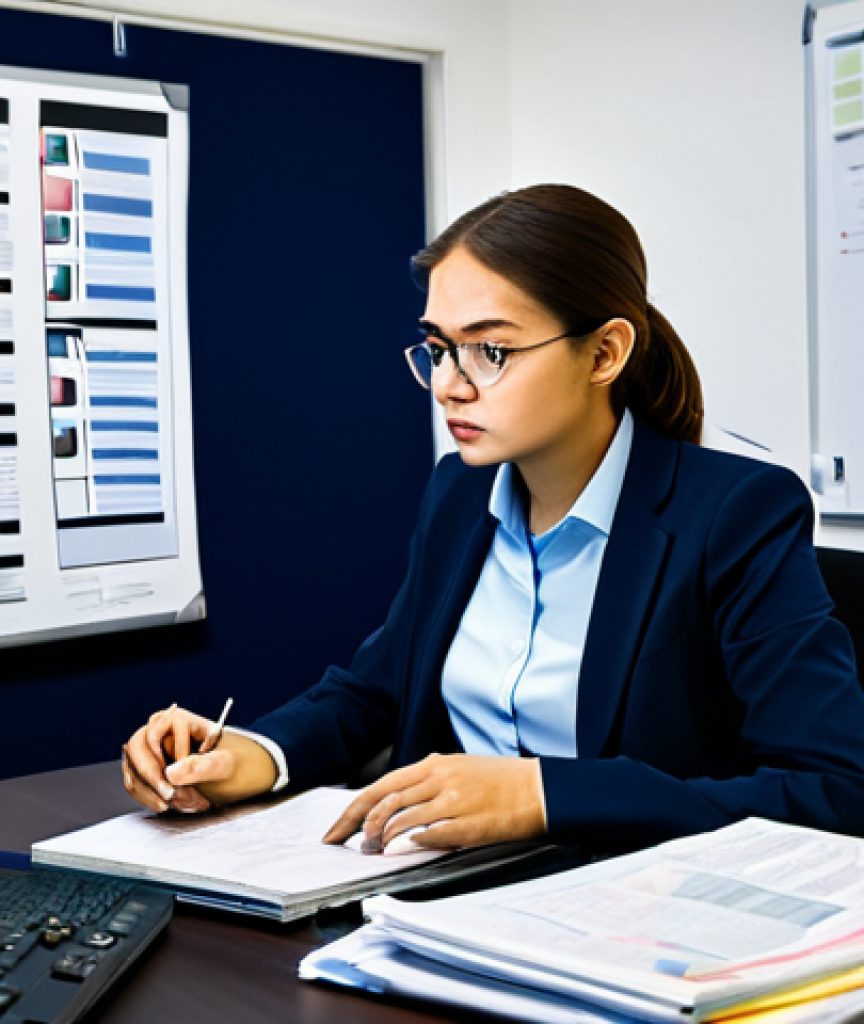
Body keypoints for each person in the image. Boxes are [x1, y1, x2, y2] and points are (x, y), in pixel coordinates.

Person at [123, 184, 864, 856]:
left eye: (491, 351)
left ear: (604, 352)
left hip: (633, 914)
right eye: (440, 349)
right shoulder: (458, 493)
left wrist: (542, 795)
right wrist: (253, 755)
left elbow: (834, 790)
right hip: (433, 895)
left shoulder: (734, 513)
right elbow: (376, 690)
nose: (450, 385)